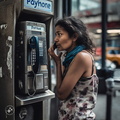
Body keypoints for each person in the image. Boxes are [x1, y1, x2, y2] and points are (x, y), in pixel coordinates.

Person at [48, 16, 99, 120]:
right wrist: (59, 61)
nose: (55, 39)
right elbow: (62, 84)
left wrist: (58, 63)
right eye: (55, 34)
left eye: (59, 34)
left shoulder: (81, 57)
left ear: (74, 36)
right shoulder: (70, 58)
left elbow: (61, 94)